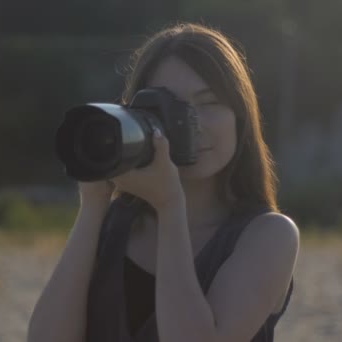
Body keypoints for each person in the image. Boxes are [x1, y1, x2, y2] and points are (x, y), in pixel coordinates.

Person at [28, 22, 300, 342]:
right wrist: (92, 204)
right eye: (170, 106)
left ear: (240, 115)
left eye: (209, 102)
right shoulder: (114, 225)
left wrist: (170, 206)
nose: (191, 123)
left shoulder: (269, 236)